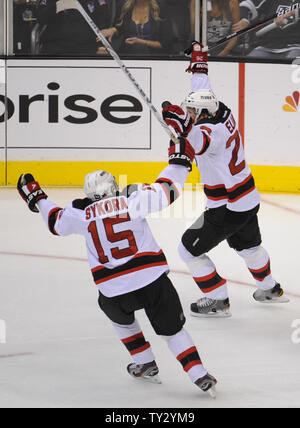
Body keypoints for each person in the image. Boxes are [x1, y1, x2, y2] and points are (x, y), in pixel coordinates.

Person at [16, 142, 217, 396]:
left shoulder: (81, 213)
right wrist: (180, 160)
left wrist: (38, 198)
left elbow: (55, 222)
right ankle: (199, 375)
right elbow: (168, 191)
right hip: (152, 280)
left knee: (122, 322)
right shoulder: (132, 199)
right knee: (173, 332)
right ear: (113, 187)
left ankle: (144, 361)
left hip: (113, 290)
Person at [162, 41, 289, 318]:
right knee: (249, 247)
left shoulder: (211, 133)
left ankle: (217, 299)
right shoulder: (219, 109)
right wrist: (199, 59)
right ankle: (269, 288)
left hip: (226, 207)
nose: (191, 114)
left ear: (203, 114)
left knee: (187, 250)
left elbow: (197, 138)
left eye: (193, 112)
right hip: (247, 199)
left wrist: (181, 127)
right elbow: (201, 87)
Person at [36, 0, 116, 55]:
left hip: (88, 48)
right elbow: (41, 18)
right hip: (56, 47)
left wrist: (101, 46)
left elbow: (102, 22)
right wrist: (60, 5)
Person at [234, 0, 300, 59]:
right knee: (249, 66)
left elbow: (295, 11)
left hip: (295, 47)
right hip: (267, 47)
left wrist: (291, 13)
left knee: (292, 67)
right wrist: (245, 20)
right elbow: (247, 4)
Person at [108, 0, 174, 55]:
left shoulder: (160, 8)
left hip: (153, 57)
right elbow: (119, 29)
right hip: (128, 55)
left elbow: (166, 44)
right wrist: (113, 30)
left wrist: (141, 42)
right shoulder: (125, 7)